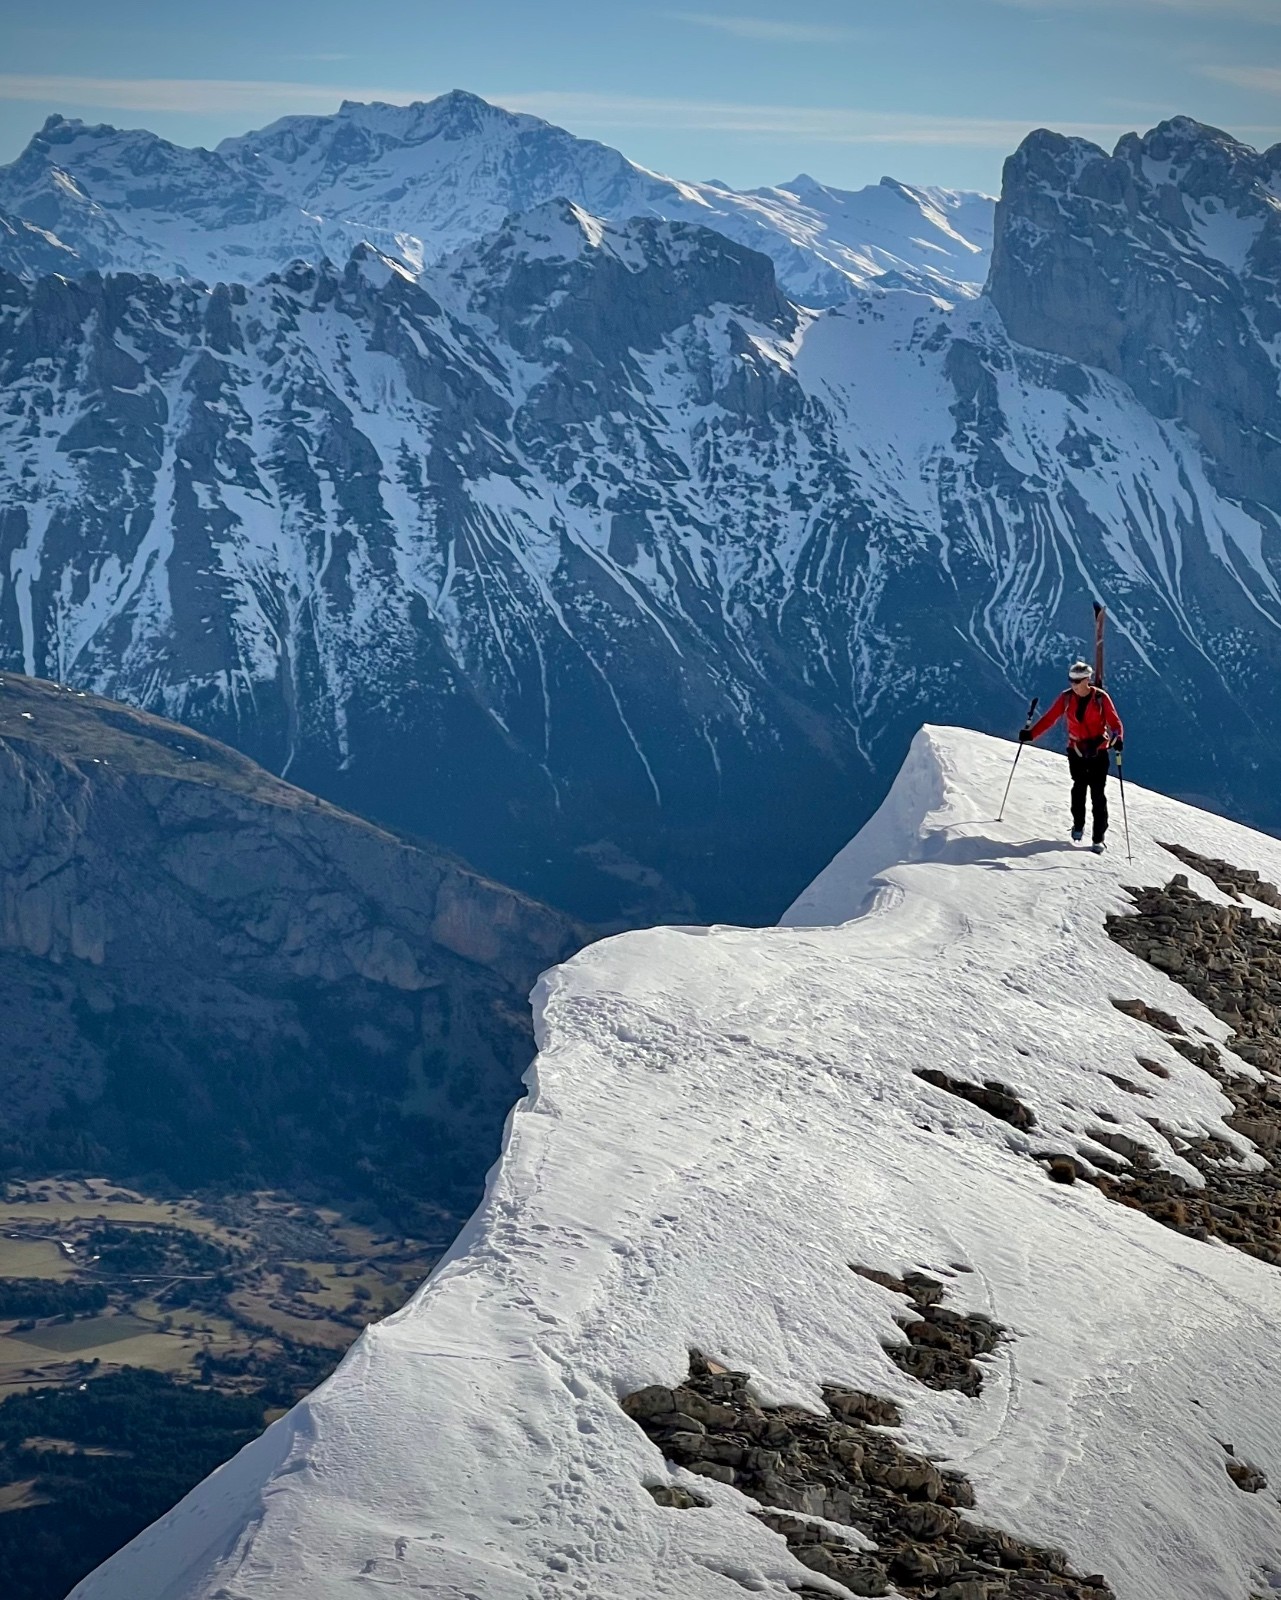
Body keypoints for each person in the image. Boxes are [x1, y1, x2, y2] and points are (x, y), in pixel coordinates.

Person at [1019, 662, 1124, 852]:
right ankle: (1078, 825)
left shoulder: (1100, 698)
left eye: (1077, 681)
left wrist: (1118, 738)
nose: (1073, 684)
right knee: (1078, 789)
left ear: (1087, 680)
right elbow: (1050, 718)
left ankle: (1098, 837)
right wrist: (1031, 734)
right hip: (1076, 750)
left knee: (1098, 794)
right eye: (1071, 680)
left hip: (1098, 751)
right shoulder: (1066, 698)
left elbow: (1115, 722)